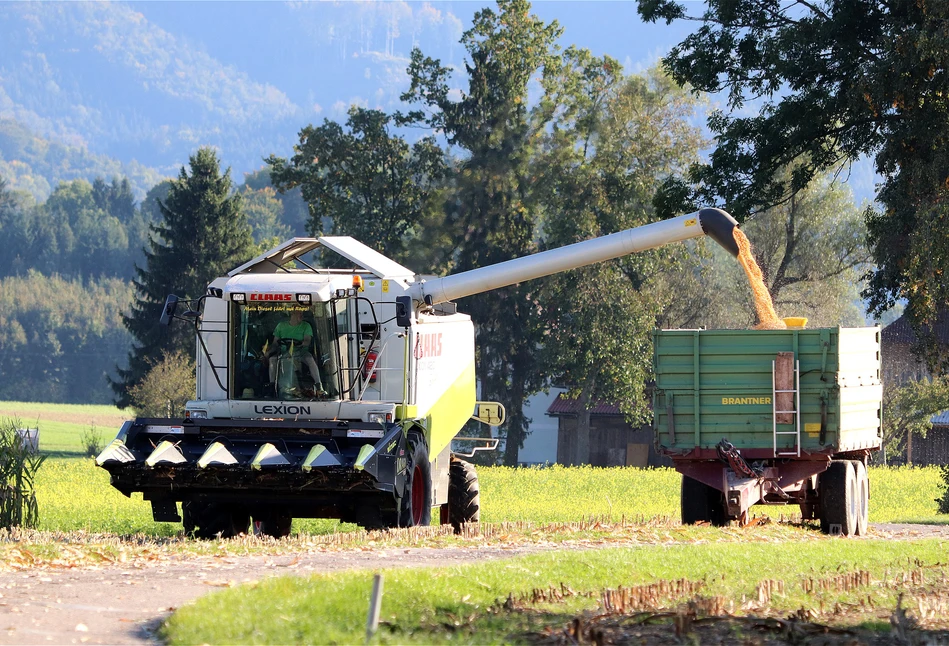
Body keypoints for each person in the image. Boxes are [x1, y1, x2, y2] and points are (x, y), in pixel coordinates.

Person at [264, 309, 324, 393]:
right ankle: (272, 386)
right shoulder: (281, 326)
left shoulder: (306, 326)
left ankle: (319, 386)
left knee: (310, 359)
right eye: (299, 313)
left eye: (302, 313)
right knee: (272, 360)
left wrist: (299, 344)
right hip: (284, 352)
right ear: (292, 313)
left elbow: (307, 341)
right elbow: (275, 343)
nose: (301, 315)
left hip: (301, 352)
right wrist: (268, 352)